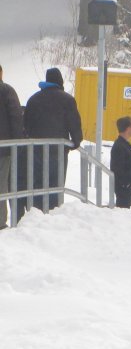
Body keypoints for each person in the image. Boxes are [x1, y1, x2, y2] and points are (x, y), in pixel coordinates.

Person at [24, 67, 82, 211]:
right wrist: (74, 143)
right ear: (60, 81)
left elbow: (25, 126)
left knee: (37, 185)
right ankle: (53, 215)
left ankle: (36, 214)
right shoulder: (68, 100)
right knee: (55, 186)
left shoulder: (33, 99)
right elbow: (74, 125)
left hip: (36, 151)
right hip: (58, 152)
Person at [0, 64, 24, 228]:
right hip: (5, 147)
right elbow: (16, 118)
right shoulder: (7, 91)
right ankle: (2, 221)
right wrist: (18, 144)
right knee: (4, 184)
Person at [110, 116, 131, 209]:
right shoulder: (119, 146)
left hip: (127, 186)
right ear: (128, 128)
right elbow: (118, 168)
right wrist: (125, 184)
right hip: (123, 187)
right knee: (122, 209)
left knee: (125, 208)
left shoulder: (124, 144)